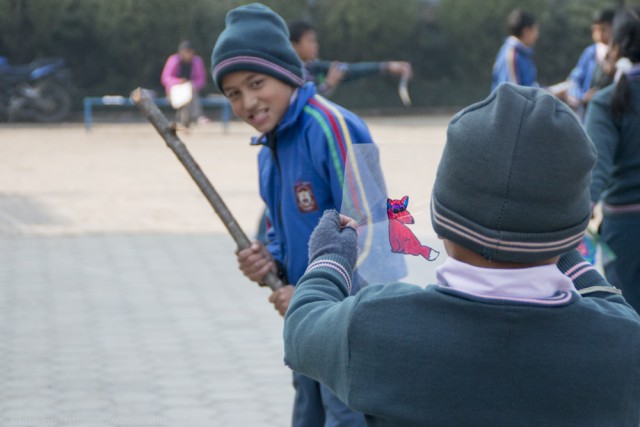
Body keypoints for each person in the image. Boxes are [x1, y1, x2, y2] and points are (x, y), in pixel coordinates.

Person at [283, 84, 640, 426]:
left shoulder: (377, 325)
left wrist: (330, 258)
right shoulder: (621, 346)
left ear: (441, 225)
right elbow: (617, 310)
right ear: (571, 233)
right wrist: (568, 254)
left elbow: (301, 327)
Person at [211, 4, 378, 426]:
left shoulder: (334, 126)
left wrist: (315, 299)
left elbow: (374, 229)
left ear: (286, 72)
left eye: (256, 83)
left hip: (348, 326)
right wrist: (268, 260)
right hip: (307, 325)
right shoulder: (268, 146)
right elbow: (280, 228)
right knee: (310, 415)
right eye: (233, 94)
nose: (248, 102)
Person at [584, 6, 640, 313]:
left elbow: (594, 172)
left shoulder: (608, 101)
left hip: (626, 233)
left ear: (616, 48)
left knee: (630, 321)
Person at [288, 20, 412, 96]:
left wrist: (387, 66)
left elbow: (350, 70)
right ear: (294, 45)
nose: (316, 45)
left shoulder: (312, 66)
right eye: (311, 41)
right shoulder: (287, 72)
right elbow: (301, 104)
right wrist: (327, 85)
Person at [567, 8, 616, 117]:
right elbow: (574, 81)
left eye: (603, 30)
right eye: (595, 30)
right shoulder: (590, 53)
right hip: (586, 112)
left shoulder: (619, 54)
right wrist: (582, 96)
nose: (598, 34)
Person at [161, 40, 209, 128]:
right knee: (187, 93)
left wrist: (191, 84)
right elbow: (165, 78)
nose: (189, 54)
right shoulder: (173, 60)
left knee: (189, 91)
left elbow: (201, 80)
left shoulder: (197, 61)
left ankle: (183, 124)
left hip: (191, 92)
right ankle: (197, 116)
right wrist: (179, 81)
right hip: (174, 92)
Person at [491, 9, 540, 91]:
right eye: (535, 30)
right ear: (526, 31)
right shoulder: (512, 55)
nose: (537, 35)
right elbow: (513, 95)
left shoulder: (522, 54)